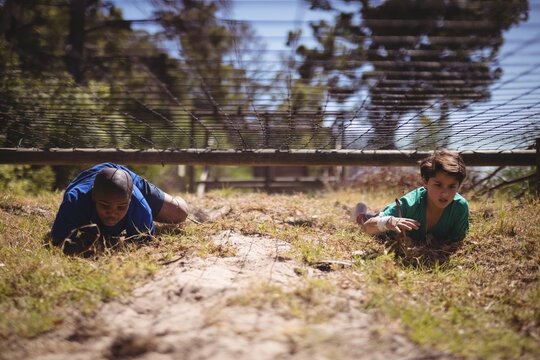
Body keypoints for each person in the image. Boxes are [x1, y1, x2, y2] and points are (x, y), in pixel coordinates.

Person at [50, 163, 189, 254]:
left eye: (121, 207)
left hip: (125, 178)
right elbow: (59, 243)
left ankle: (177, 198)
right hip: (97, 179)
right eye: (105, 205)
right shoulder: (74, 201)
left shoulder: (138, 204)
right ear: (93, 196)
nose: (112, 213)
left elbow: (141, 244)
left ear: (130, 200)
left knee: (179, 213)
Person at [353, 149, 469, 246]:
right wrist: (388, 222)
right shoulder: (409, 204)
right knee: (365, 220)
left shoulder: (459, 207)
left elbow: (455, 243)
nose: (445, 193)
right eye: (438, 185)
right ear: (425, 181)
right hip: (383, 232)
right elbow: (367, 228)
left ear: (459, 185)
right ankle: (362, 213)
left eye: (452, 186)